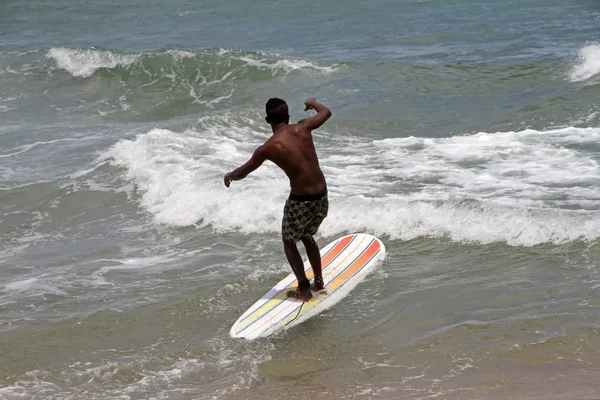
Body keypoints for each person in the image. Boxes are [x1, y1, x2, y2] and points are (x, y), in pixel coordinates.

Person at [224, 97, 332, 301]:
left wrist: (229, 176)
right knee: (307, 235)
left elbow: (242, 172)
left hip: (301, 202)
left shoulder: (269, 147)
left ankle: (304, 289)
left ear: (267, 120)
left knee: (289, 240)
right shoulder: (304, 127)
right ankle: (318, 282)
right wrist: (313, 103)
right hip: (322, 197)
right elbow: (326, 112)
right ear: (288, 116)